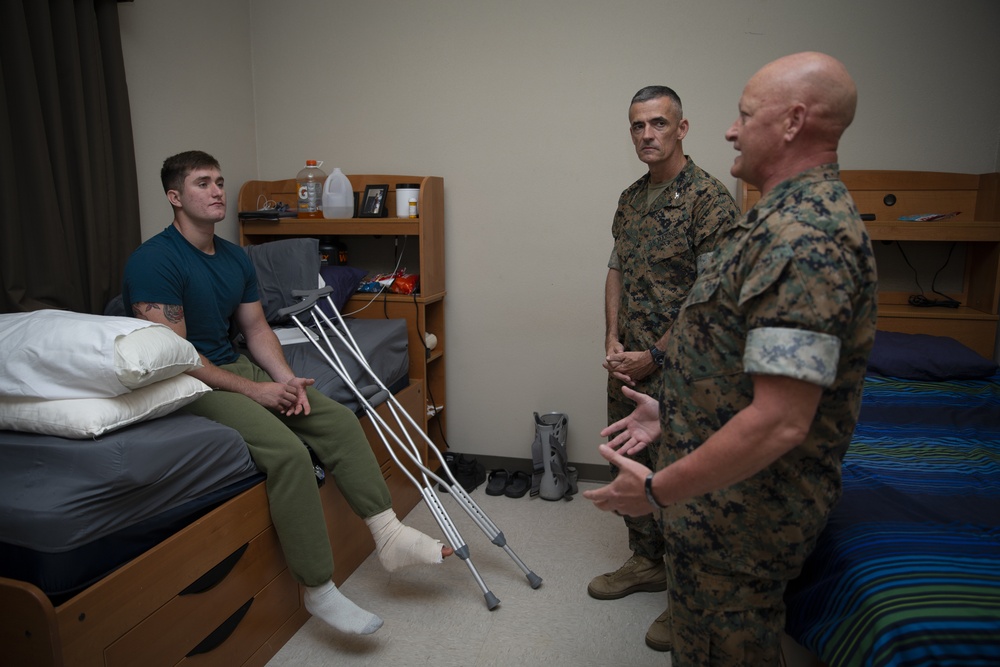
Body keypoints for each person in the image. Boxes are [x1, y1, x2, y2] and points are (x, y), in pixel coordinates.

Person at [583, 52, 878, 666]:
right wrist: (673, 414)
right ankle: (652, 563)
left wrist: (661, 488)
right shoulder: (773, 220)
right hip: (712, 491)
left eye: (746, 114)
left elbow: (780, 419)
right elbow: (734, 352)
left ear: (792, 122)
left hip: (744, 514)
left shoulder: (805, 237)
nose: (731, 129)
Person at [122, 151, 452, 637]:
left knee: (337, 420)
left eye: (218, 180)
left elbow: (256, 329)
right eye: (200, 184)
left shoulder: (234, 256)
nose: (216, 191)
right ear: (174, 197)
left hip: (234, 363)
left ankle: (389, 535)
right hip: (185, 379)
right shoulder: (154, 261)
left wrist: (282, 380)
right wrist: (254, 392)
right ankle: (318, 590)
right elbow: (178, 355)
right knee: (289, 453)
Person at [591, 85, 738, 653]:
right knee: (628, 463)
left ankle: (687, 596)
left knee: (682, 480)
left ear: (681, 128)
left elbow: (711, 295)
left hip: (683, 368)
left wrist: (657, 354)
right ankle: (646, 562)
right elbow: (615, 270)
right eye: (637, 126)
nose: (646, 134)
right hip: (627, 362)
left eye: (658, 123)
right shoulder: (631, 198)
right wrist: (611, 335)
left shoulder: (709, 200)